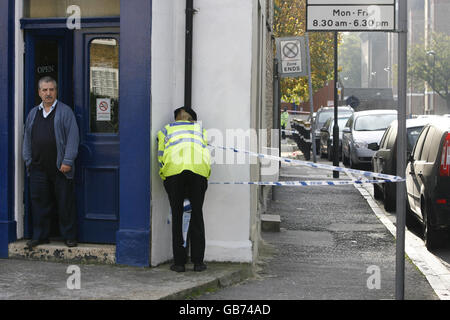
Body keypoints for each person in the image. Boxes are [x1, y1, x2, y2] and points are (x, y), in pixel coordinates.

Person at [22, 76, 79, 250]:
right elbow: (27, 139)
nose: (48, 93)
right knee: (39, 203)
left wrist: (68, 160)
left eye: (51, 90)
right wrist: (28, 160)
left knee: (64, 203)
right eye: (45, 90)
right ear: (39, 92)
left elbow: (72, 137)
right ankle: (40, 236)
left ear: (56, 91)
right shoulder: (33, 113)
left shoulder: (65, 111)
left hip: (60, 167)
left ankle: (69, 236)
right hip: (38, 167)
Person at [157, 106, 211, 272]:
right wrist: (205, 176)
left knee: (178, 216)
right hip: (198, 173)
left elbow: (160, 156)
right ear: (191, 119)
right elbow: (206, 153)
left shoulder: (165, 130)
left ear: (177, 118)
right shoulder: (200, 129)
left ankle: (179, 263)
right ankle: (198, 263)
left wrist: (164, 176)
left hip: (174, 174)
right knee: (197, 216)